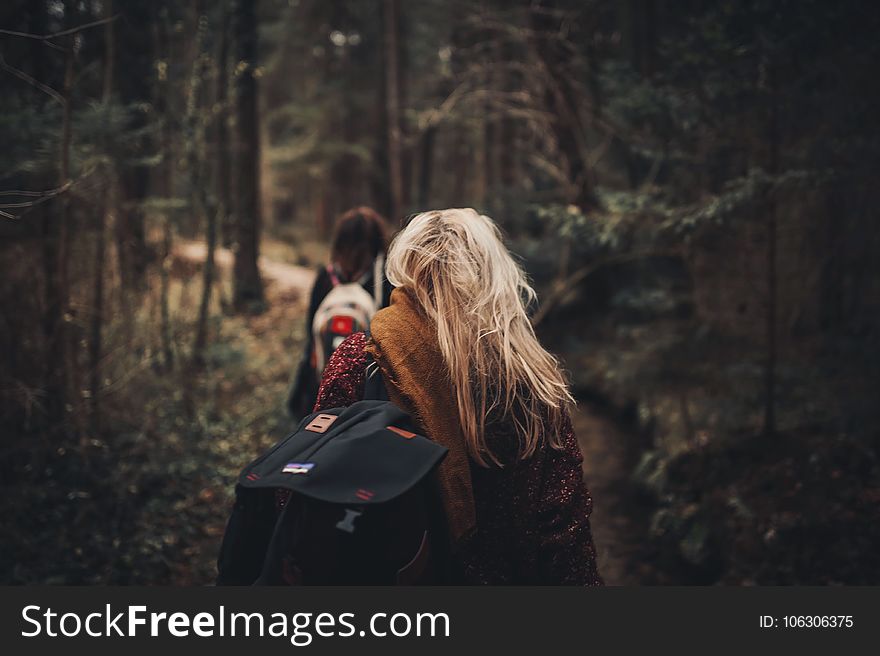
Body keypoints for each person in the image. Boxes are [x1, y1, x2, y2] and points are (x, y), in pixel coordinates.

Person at [310, 208, 603, 585]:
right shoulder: (531, 381)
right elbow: (565, 535)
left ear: (406, 270)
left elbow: (312, 489)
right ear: (493, 275)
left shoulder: (361, 360)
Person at [287, 206, 393, 419]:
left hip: (320, 389)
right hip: (368, 395)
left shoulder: (325, 278)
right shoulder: (384, 280)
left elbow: (311, 335)